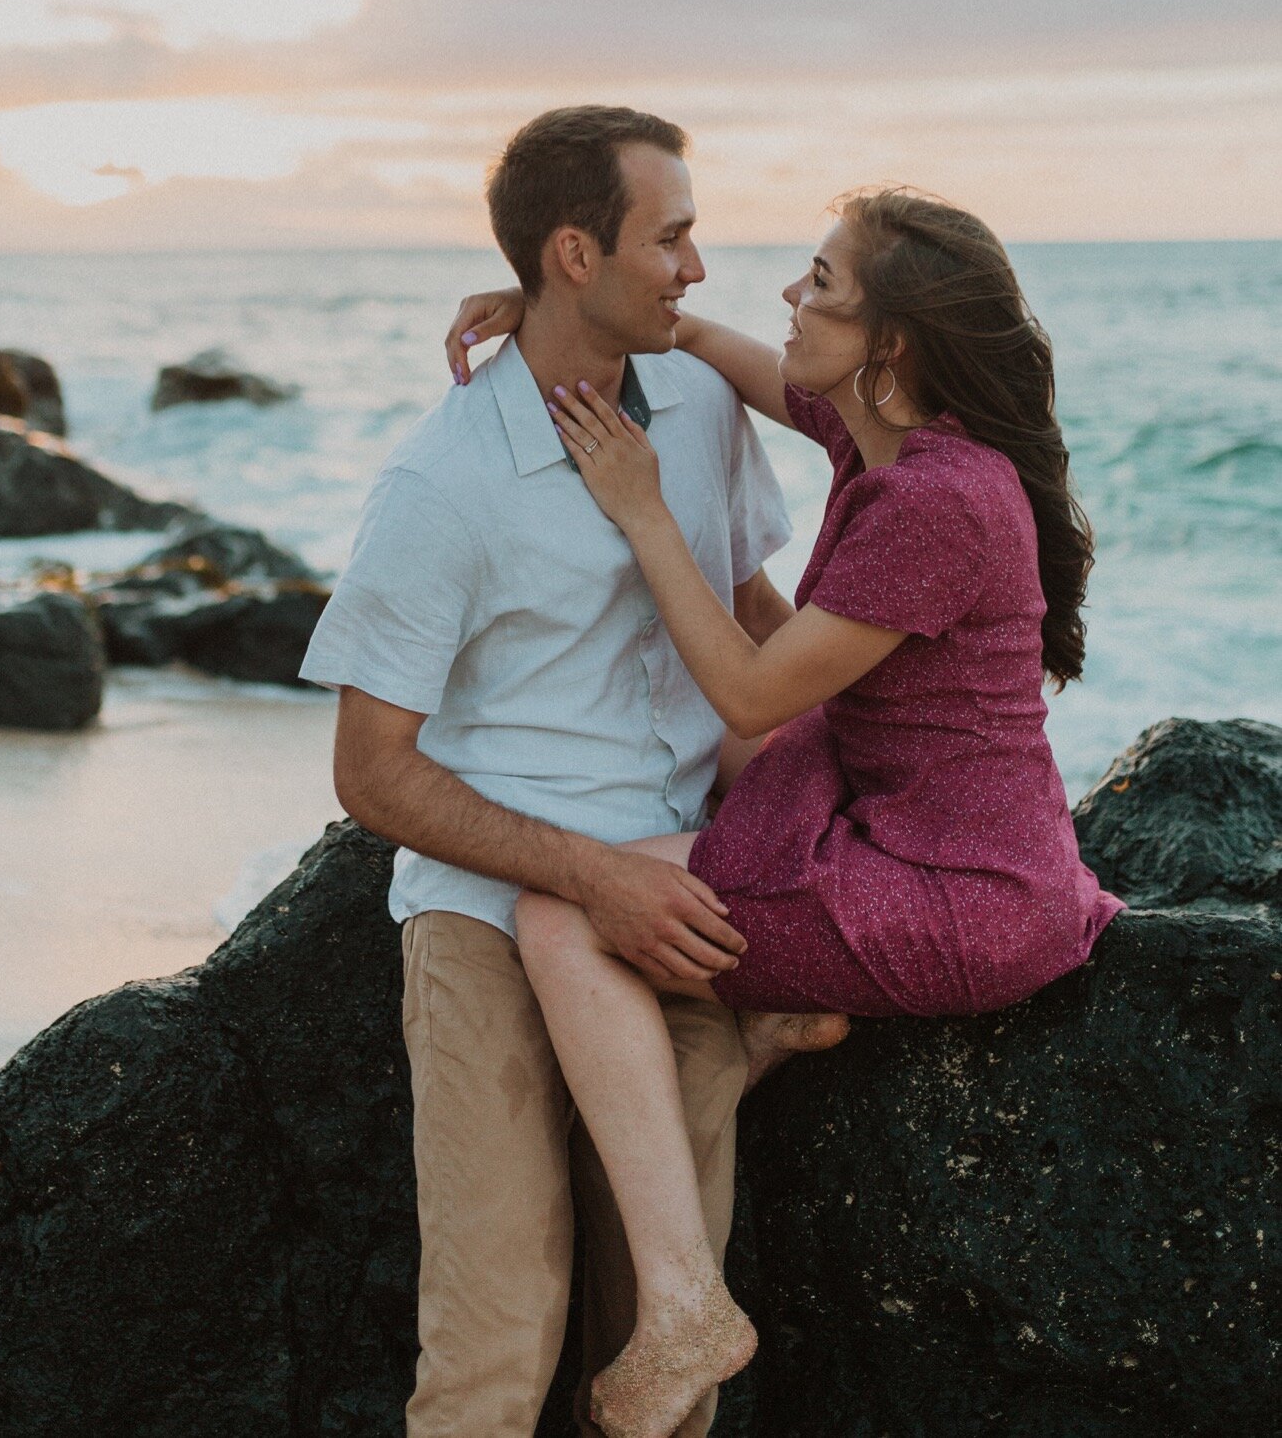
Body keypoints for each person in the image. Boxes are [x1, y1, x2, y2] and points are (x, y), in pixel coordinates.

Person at [445, 188, 1123, 1438]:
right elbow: (745, 363)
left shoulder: (934, 504)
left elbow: (750, 681)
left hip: (958, 896)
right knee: (734, 766)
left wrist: (644, 508)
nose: (787, 298)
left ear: (891, 345)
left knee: (563, 912)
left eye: (819, 284)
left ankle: (685, 1301)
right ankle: (797, 1004)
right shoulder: (907, 430)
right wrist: (555, 317)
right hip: (932, 819)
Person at [299, 106, 844, 1438]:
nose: (699, 268)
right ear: (571, 254)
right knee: (495, 1343)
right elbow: (370, 774)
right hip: (496, 908)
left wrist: (881, 806)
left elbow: (750, 608)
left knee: (668, 1340)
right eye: (671, 238)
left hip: (680, 891)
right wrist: (587, 875)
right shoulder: (443, 481)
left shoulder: (706, 397)